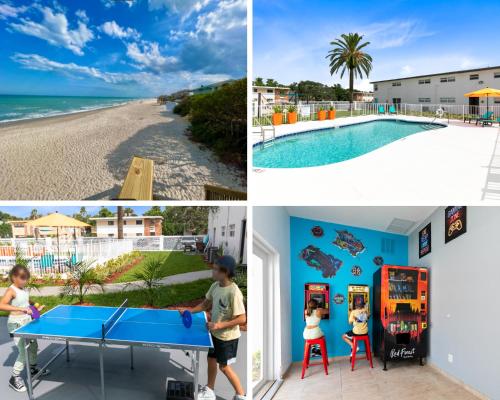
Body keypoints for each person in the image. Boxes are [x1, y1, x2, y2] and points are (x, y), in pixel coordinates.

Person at [179, 255, 246, 400]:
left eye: (216, 269)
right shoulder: (215, 286)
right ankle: (210, 390)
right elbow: (205, 304)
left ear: (225, 272)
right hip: (214, 334)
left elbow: (242, 318)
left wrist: (219, 325)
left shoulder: (234, 292)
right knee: (210, 360)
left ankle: (241, 395)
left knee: (224, 367)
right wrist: (188, 311)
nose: (212, 272)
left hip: (227, 338)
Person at [0, 265, 49, 392]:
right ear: (14, 277)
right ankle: (14, 377)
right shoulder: (11, 290)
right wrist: (21, 309)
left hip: (27, 322)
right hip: (16, 325)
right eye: (22, 278)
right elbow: (2, 305)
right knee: (23, 352)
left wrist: (35, 306)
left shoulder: (23, 289)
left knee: (33, 346)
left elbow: (26, 301)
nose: (24, 281)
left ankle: (32, 369)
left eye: (26, 278)